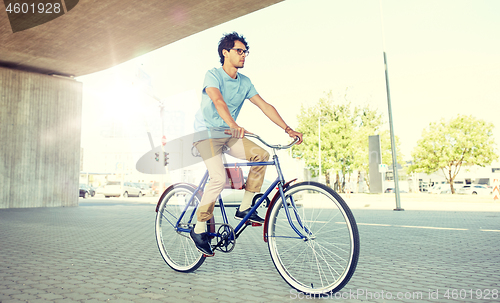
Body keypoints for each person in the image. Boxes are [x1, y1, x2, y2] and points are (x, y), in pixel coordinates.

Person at [190, 32, 303, 256]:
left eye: (245, 52)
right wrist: (233, 123)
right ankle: (199, 227)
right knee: (219, 178)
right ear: (225, 52)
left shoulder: (245, 82)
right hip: (207, 134)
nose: (244, 56)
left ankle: (245, 208)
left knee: (261, 155)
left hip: (229, 134)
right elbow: (218, 100)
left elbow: (264, 105)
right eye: (239, 51)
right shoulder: (213, 75)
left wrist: (288, 128)